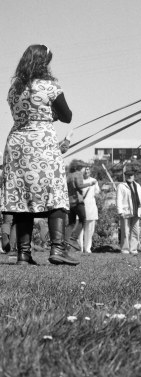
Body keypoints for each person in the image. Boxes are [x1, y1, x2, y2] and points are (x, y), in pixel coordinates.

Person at [0, 44, 78, 265]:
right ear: (44, 63)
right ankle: (57, 249)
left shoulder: (14, 89)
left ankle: (24, 255)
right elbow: (67, 116)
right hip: (42, 144)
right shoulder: (50, 87)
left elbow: (25, 114)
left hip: (17, 145)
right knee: (54, 193)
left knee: (22, 197)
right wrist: (51, 114)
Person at [66, 161, 97, 251]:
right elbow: (79, 186)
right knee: (83, 219)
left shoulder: (69, 175)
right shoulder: (78, 174)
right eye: (84, 168)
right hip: (77, 201)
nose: (85, 170)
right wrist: (90, 184)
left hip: (70, 201)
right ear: (79, 167)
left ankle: (65, 240)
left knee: (71, 223)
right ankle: (73, 238)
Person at [116, 169, 141, 254]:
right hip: (126, 211)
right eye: (128, 175)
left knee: (135, 231)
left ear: (133, 176)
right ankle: (125, 249)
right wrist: (120, 211)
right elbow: (118, 199)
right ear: (125, 176)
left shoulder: (138, 185)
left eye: (131, 175)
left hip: (136, 211)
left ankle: (133, 249)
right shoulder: (121, 186)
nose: (130, 177)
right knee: (125, 231)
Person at [79, 164, 100, 253]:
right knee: (79, 229)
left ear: (90, 171)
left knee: (90, 229)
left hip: (91, 207)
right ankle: (79, 248)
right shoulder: (78, 181)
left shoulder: (94, 181)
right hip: (80, 207)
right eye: (85, 169)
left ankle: (87, 248)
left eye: (88, 169)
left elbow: (97, 192)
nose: (86, 171)